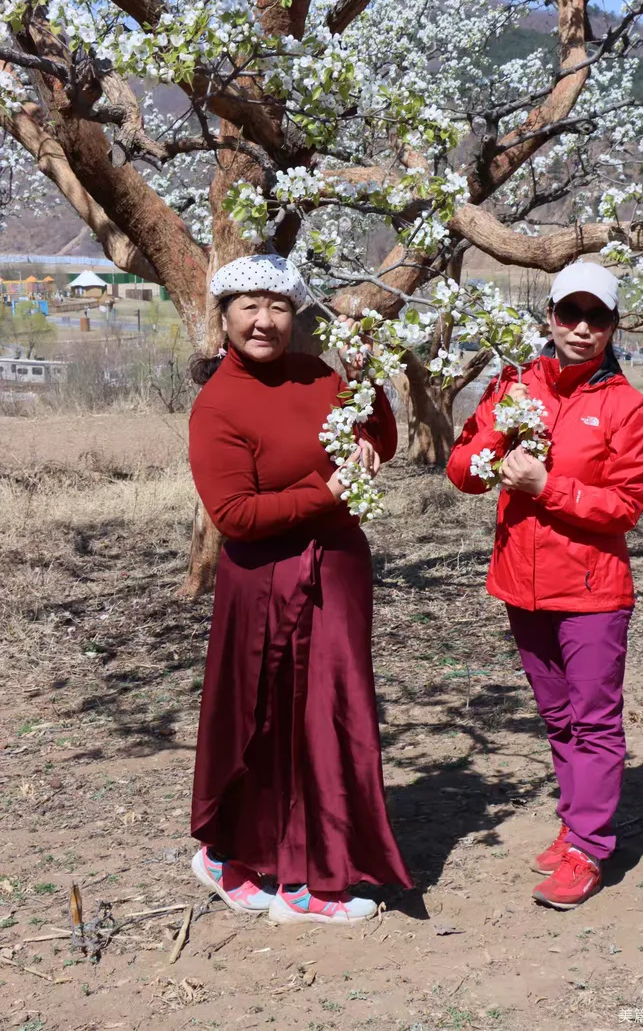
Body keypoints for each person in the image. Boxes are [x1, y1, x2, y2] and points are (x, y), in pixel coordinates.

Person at [188, 254, 412, 925]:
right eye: (249, 306)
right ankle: (265, 865)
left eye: (278, 306)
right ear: (224, 317)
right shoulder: (218, 404)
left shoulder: (317, 375)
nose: (264, 320)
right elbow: (236, 515)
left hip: (336, 571)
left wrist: (369, 395)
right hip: (264, 583)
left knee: (332, 720)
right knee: (266, 722)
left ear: (296, 314)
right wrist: (327, 492)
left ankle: (313, 863)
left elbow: (380, 438)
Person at [446, 262, 643, 910]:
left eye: (597, 317)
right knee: (558, 715)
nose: (582, 328)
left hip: (593, 591)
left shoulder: (628, 408)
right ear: (550, 317)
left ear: (614, 327)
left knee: (593, 721)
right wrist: (495, 449)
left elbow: (624, 506)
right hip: (523, 582)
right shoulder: (514, 386)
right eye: (571, 313)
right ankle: (576, 820)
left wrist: (548, 488)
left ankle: (590, 847)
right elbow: (461, 468)